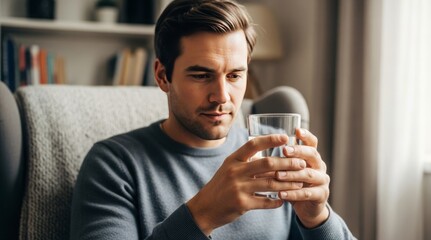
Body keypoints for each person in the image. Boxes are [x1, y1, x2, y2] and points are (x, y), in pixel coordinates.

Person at [70, 0, 355, 239]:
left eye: (234, 75)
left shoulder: (275, 152)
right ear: (162, 76)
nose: (221, 96)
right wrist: (202, 215)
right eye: (201, 75)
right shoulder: (114, 164)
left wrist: (317, 217)